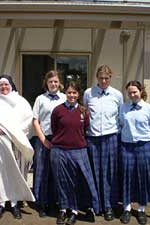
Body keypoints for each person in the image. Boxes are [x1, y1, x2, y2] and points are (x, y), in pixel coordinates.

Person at [0, 75, 35, 220]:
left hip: (15, 143)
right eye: (1, 85)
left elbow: (28, 121)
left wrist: (13, 133)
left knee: (15, 172)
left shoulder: (20, 102)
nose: (4, 87)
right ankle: (2, 203)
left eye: (6, 84)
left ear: (12, 85)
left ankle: (15, 203)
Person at [50, 81, 99, 225]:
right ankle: (63, 209)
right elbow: (54, 128)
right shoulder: (58, 110)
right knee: (62, 182)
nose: (72, 95)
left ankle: (75, 210)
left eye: (74, 93)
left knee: (77, 182)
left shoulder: (84, 111)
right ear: (65, 93)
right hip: (60, 150)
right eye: (69, 92)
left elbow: (85, 129)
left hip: (79, 151)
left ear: (79, 94)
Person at [83, 64, 123, 220]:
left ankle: (109, 206)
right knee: (94, 171)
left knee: (109, 173)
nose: (104, 81)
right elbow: (85, 114)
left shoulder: (117, 95)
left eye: (106, 78)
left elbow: (120, 117)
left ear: (110, 78)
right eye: (101, 78)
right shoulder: (89, 93)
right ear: (97, 78)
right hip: (92, 138)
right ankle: (95, 205)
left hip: (110, 137)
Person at [119, 80, 150, 225]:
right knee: (127, 177)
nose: (132, 95)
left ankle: (141, 209)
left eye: (134, 92)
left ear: (141, 91)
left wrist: (149, 142)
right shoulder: (123, 108)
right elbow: (121, 125)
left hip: (144, 147)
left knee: (143, 178)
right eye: (129, 92)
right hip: (127, 147)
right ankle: (127, 208)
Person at [32, 70, 66, 217]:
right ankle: (42, 203)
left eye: (56, 81)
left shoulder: (65, 98)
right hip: (44, 139)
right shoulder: (40, 99)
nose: (53, 84)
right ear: (46, 83)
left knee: (57, 172)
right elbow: (35, 120)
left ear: (60, 83)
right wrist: (43, 140)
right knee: (42, 171)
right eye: (51, 81)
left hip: (61, 140)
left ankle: (56, 202)